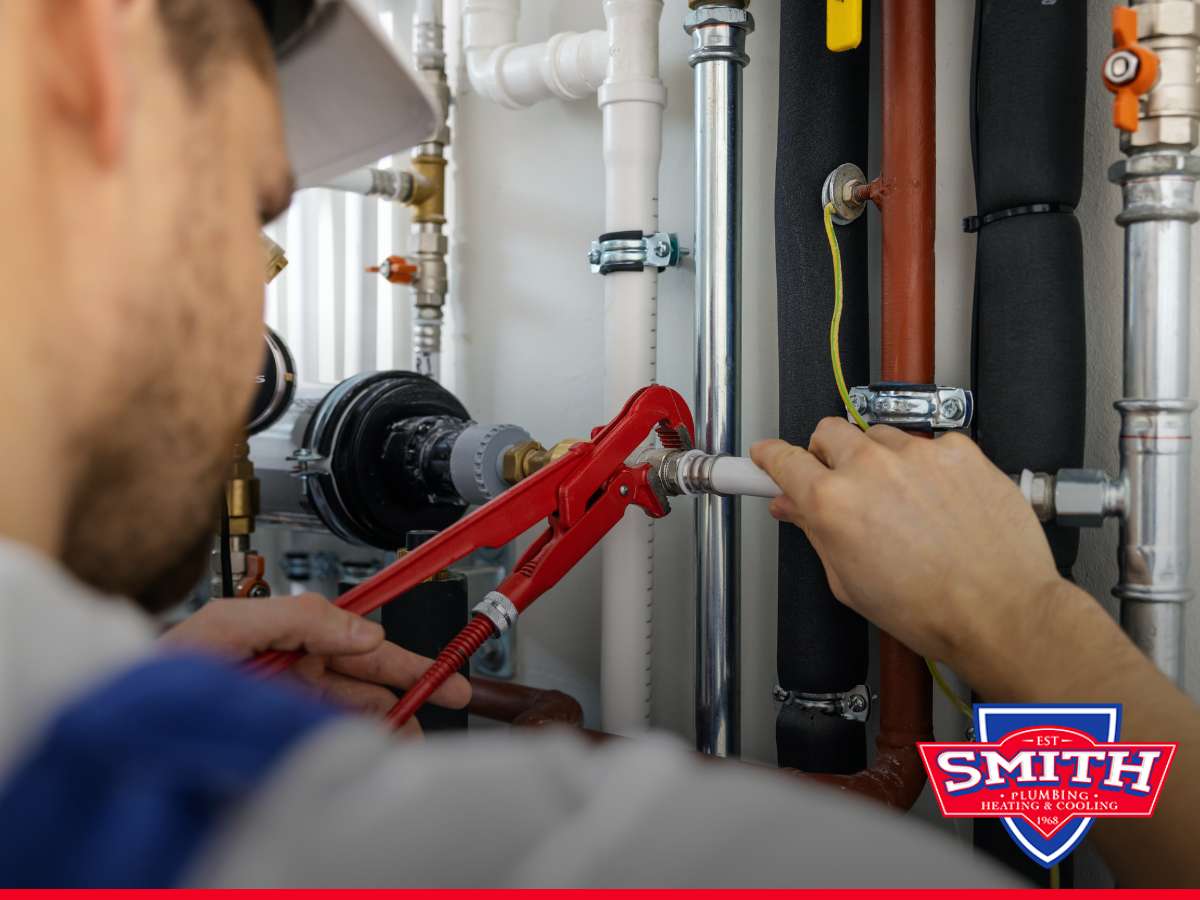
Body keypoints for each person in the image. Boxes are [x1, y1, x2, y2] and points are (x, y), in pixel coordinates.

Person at [0, 0, 1191, 889]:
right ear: (99, 66)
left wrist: (167, 682)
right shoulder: (554, 862)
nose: (252, 324)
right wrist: (1024, 627)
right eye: (253, 211)